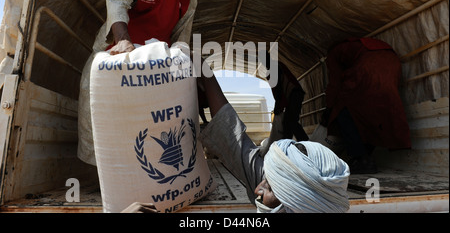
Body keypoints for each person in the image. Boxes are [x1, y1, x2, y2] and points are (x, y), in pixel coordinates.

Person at [123, 60, 351, 213]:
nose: (257, 190)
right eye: (266, 181)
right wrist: (204, 70)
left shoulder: (290, 193)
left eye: (269, 188)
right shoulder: (285, 194)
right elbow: (234, 140)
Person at [77, 0, 202, 166]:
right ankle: (99, 171)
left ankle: (149, 170)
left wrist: (178, 59)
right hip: (120, 50)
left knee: (155, 119)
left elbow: (182, 33)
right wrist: (123, 41)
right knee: (94, 90)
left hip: (155, 60)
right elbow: (117, 0)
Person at [324, 37, 411, 174]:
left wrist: (329, 108)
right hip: (392, 64)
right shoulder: (359, 45)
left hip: (367, 68)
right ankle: (365, 157)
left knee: (343, 110)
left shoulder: (333, 53)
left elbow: (335, 83)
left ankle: (362, 158)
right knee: (375, 113)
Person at [259, 53, 308, 156]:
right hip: (293, 95)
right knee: (288, 123)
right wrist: (280, 105)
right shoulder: (276, 66)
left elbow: (280, 89)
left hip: (294, 94)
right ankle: (287, 149)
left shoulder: (274, 67)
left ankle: (307, 147)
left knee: (291, 121)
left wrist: (278, 106)